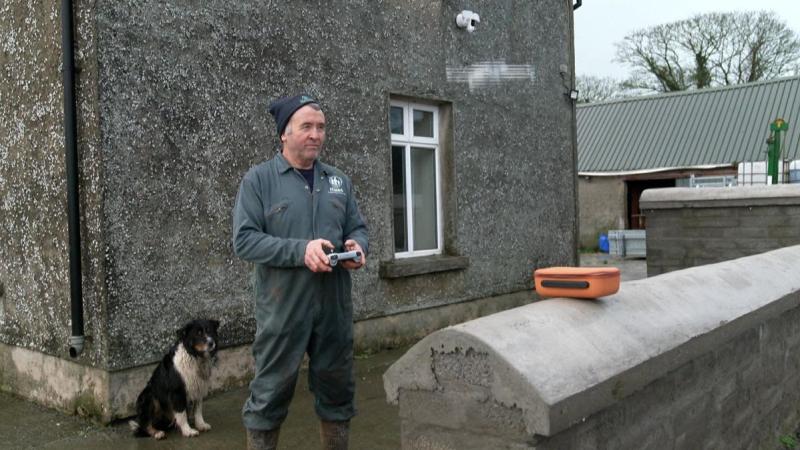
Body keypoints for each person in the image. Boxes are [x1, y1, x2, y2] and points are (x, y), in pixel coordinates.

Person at [232, 94, 368, 450]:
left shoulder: (339, 181)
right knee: (268, 396)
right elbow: (245, 241)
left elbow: (358, 227)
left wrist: (357, 246)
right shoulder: (259, 181)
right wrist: (300, 250)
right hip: (282, 311)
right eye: (306, 126)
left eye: (321, 127)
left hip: (333, 309)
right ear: (284, 134)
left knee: (338, 394)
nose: (316, 135)